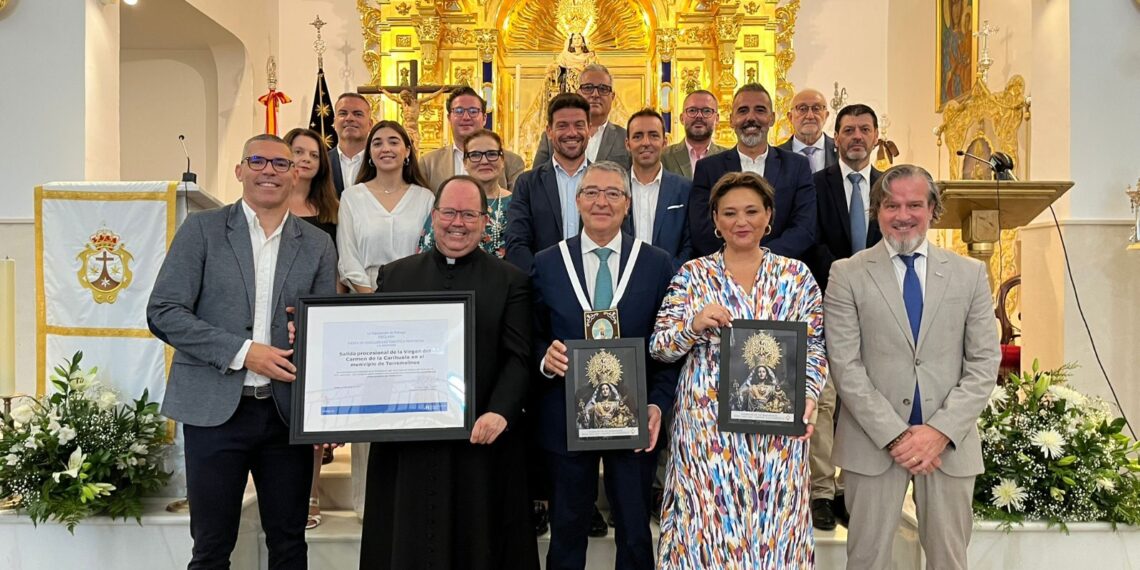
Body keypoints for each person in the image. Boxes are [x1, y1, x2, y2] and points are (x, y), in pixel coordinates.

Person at [147, 134, 338, 568]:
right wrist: (243, 351)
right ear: (240, 171)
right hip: (214, 414)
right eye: (258, 161)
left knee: (289, 545)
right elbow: (163, 311)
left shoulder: (316, 244)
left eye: (280, 164)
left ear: (295, 174)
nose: (269, 171)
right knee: (212, 547)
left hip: (285, 416)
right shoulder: (203, 229)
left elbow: (323, 334)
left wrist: (325, 404)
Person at [825, 164, 1000, 570]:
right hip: (872, 444)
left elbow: (983, 362)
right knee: (867, 560)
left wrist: (938, 432)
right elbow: (845, 365)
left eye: (914, 205)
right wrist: (896, 436)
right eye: (891, 205)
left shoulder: (969, 274)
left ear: (933, 209)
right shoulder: (847, 274)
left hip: (948, 447)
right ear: (877, 211)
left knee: (949, 560)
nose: (902, 215)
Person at [359, 175, 538, 569]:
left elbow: (519, 357)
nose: (458, 223)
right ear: (434, 215)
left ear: (485, 219)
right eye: (450, 213)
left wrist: (501, 412)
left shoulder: (511, 281)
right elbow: (374, 349)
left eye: (469, 214)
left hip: (480, 438)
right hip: (408, 443)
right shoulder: (396, 276)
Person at [651, 171, 826, 568]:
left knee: (775, 532)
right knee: (706, 532)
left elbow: (815, 346)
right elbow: (659, 347)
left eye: (751, 211)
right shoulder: (693, 275)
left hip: (777, 433)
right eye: (729, 213)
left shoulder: (796, 277)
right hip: (707, 431)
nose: (740, 221)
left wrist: (810, 396)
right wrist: (692, 325)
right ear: (715, 220)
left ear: (769, 216)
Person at [532, 161, 678, 570]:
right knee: (566, 528)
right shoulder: (547, 262)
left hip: (633, 419)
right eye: (592, 191)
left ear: (627, 204)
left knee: (634, 531)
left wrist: (657, 405)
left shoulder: (656, 263)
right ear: (577, 201)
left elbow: (666, 346)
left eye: (613, 193)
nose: (602, 201)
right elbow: (530, 333)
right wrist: (544, 358)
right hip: (564, 416)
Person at [804, 103, 885, 531]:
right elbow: (811, 240)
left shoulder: (889, 187)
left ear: (875, 137)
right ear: (836, 138)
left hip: (879, 305)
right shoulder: (815, 184)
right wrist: (845, 278)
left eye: (864, 130)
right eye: (848, 130)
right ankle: (820, 489)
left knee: (866, 395)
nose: (856, 137)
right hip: (826, 297)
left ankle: (851, 489)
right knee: (826, 396)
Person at [282, 126, 345, 530]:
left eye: (313, 154)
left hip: (315, 317)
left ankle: (310, 492)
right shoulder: (269, 205)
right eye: (298, 151)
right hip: (272, 321)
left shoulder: (329, 212)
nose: (305, 159)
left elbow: (336, 269)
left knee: (312, 412)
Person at [688, 83, 816, 261]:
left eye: (760, 110)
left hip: (780, 272)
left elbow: (805, 227)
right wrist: (733, 259)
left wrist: (761, 258)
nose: (751, 117)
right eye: (743, 111)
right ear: (732, 119)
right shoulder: (708, 168)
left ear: (771, 118)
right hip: (722, 273)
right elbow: (701, 229)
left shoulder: (797, 166)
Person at [337, 120, 434, 293]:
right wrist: (371, 298)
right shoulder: (351, 197)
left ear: (407, 151)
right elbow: (347, 257)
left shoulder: (425, 198)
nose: (386, 148)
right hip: (364, 296)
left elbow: (430, 253)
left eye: (394, 142)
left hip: (414, 294)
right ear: (369, 153)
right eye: (377, 143)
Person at [505, 93, 592, 274]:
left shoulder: (605, 181)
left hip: (596, 290)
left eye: (579, 125)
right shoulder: (527, 183)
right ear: (549, 131)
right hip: (541, 291)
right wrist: (544, 280)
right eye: (562, 126)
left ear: (589, 129)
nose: (571, 133)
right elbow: (516, 243)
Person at [419, 129, 515, 258]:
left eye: (492, 154)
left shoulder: (515, 203)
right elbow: (427, 249)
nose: (484, 161)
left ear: (502, 160)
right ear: (465, 163)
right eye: (475, 155)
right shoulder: (447, 201)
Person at [419, 87, 526, 192]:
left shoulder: (512, 162)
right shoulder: (429, 164)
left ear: (484, 118)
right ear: (449, 118)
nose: (466, 117)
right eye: (459, 111)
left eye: (473, 111)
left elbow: (518, 205)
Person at [624, 108, 693, 269]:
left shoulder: (684, 189)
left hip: (672, 281)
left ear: (664, 142)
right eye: (638, 136)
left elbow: (690, 243)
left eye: (653, 135)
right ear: (627, 144)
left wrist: (669, 274)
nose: (646, 142)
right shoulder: (614, 188)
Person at [533, 64, 631, 170]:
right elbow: (537, 180)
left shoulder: (625, 137)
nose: (595, 94)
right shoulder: (554, 136)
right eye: (588, 88)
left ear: (612, 97)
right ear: (578, 93)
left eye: (603, 89)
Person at [661, 90, 728, 179]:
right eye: (692, 110)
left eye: (706, 111)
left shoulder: (728, 158)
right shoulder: (664, 157)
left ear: (717, 119)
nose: (699, 116)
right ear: (682, 118)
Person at [776, 88, 838, 174]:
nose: (810, 116)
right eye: (802, 109)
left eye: (816, 109)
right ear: (790, 117)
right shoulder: (775, 156)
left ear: (826, 115)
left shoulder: (841, 151)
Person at [329, 93, 374, 197]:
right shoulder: (322, 163)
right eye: (343, 113)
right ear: (335, 123)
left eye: (358, 114)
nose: (349, 118)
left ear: (370, 124)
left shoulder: (381, 163)